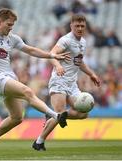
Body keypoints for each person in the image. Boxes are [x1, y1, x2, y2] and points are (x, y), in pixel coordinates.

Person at [0, 8, 71, 155]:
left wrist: (51, 55)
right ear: (0, 22)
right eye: (9, 24)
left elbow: (31, 50)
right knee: (27, 91)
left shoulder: (12, 38)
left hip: (10, 78)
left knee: (17, 117)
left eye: (12, 25)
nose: (11, 27)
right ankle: (54, 115)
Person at [32, 14, 101, 151]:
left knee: (83, 113)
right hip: (59, 81)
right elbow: (52, 54)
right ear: (71, 26)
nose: (80, 28)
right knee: (60, 112)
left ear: (85, 26)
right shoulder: (66, 40)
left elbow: (78, 62)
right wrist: (57, 65)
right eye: (77, 26)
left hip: (72, 84)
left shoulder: (83, 42)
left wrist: (91, 74)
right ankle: (40, 141)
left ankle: (52, 115)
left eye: (82, 26)